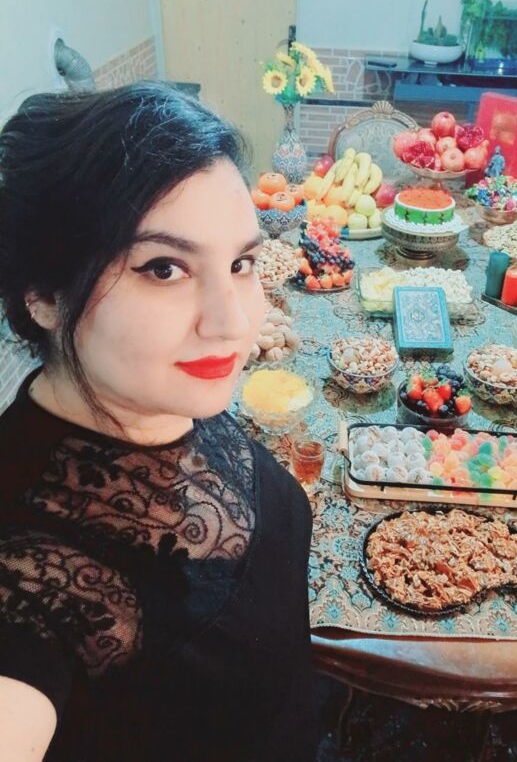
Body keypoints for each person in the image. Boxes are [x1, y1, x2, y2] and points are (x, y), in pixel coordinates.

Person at [0, 83, 316, 761]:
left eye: (241, 263)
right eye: (164, 268)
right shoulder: (26, 569)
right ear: (44, 296)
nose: (232, 322)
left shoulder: (163, 399)